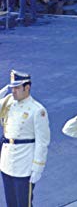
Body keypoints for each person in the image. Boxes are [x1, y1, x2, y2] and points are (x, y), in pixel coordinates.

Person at [0, 70, 50, 207]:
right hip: (6, 162)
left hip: (24, 165)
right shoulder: (8, 103)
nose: (13, 91)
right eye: (12, 87)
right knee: (11, 203)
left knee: (23, 204)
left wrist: (37, 167)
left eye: (17, 88)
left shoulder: (37, 110)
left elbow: (42, 142)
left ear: (27, 88)